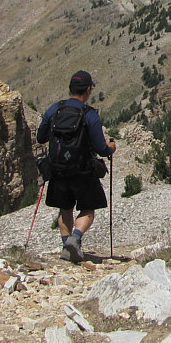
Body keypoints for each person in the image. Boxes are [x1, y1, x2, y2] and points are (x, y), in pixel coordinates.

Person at [36, 70, 116, 262]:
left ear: (70, 88)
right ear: (88, 90)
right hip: (83, 171)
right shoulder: (90, 115)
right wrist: (111, 148)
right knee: (88, 209)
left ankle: (67, 247)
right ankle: (75, 238)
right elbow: (101, 149)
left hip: (58, 170)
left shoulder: (54, 110)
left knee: (65, 209)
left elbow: (40, 137)